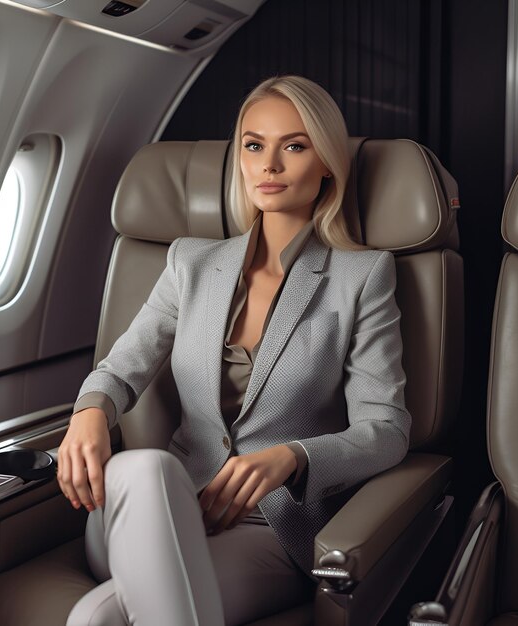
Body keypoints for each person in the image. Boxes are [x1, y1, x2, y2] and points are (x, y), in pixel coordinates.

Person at [58, 75, 411, 626]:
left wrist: (295, 457)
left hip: (265, 527)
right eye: (253, 145)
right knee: (147, 468)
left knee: (95, 619)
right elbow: (120, 368)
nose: (268, 165)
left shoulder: (361, 276)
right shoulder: (189, 263)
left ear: (327, 163)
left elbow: (386, 428)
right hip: (153, 506)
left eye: (293, 146)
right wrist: (89, 410)